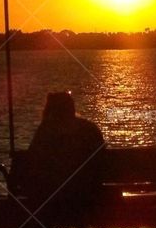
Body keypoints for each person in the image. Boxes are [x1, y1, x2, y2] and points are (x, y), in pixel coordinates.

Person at [21, 91, 105, 219]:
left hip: (55, 192)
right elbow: (101, 159)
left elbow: (33, 158)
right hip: (89, 188)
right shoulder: (90, 128)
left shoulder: (46, 130)